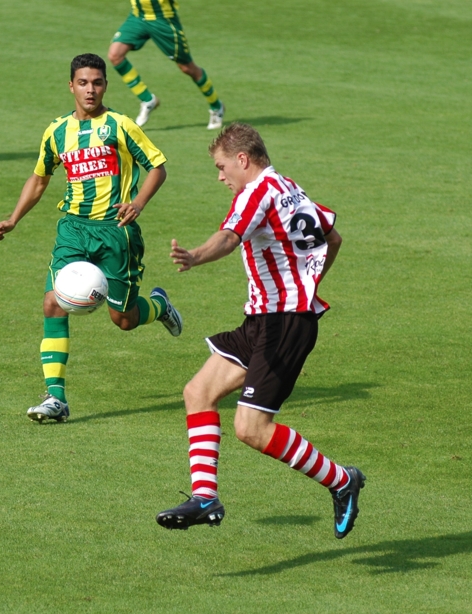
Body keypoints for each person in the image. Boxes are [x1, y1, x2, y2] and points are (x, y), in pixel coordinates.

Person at [156, 123, 365, 539]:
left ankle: (343, 480)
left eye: (220, 167)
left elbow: (231, 237)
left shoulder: (255, 192)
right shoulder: (289, 187)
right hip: (264, 319)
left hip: (284, 324)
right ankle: (205, 498)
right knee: (198, 392)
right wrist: (307, 284)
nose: (219, 176)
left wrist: (195, 256)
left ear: (242, 159)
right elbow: (333, 237)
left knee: (251, 428)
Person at [0, 53, 183, 423]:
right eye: (83, 82)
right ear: (71, 86)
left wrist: (138, 202)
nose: (90, 89)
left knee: (122, 319)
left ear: (105, 85)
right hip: (74, 229)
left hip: (117, 232)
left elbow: (157, 167)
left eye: (97, 82)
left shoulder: (121, 125)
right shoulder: (57, 131)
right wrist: (13, 219)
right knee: (52, 303)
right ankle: (56, 398)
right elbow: (40, 178)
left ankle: (159, 306)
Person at [108, 0, 224, 129]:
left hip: (163, 20)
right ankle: (148, 100)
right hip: (137, 17)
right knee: (115, 55)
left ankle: (216, 107)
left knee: (187, 68)